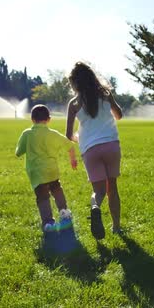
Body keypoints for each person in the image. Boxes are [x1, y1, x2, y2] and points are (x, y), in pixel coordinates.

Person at [65, 62, 123, 239]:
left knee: (99, 191)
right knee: (112, 187)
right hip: (111, 145)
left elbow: (69, 135)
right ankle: (116, 227)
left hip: (90, 150)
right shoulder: (105, 94)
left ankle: (95, 206)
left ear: (75, 83)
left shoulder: (74, 103)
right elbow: (119, 115)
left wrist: (80, 138)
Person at [16, 104, 78, 232]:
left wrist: (22, 147)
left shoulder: (27, 134)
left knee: (43, 197)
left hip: (37, 174)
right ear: (49, 119)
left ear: (32, 119)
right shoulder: (53, 134)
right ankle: (64, 212)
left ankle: (48, 222)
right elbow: (70, 146)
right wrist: (73, 160)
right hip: (52, 171)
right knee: (57, 190)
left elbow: (18, 152)